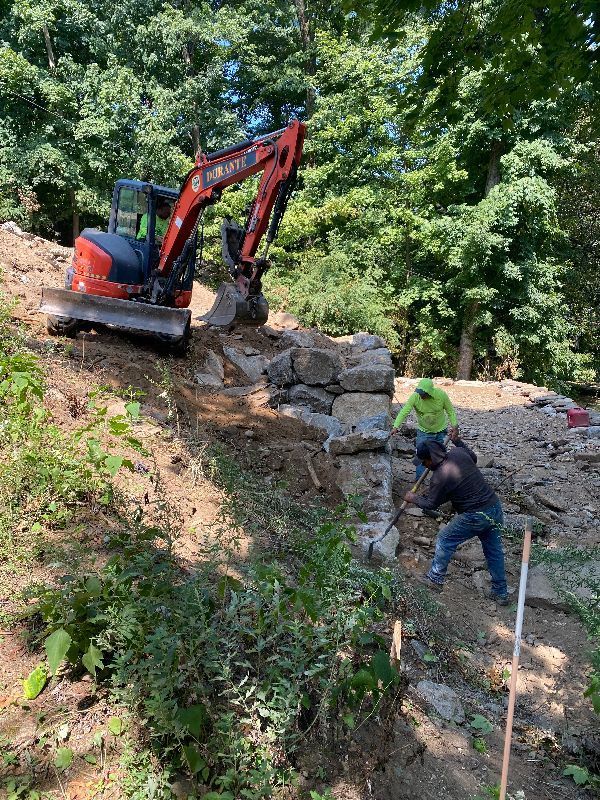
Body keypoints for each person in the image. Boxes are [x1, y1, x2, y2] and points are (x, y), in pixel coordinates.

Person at [404, 435, 509, 605]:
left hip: (475, 515)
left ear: (431, 459)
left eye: (424, 462)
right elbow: (473, 457)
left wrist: (413, 498)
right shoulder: (458, 453)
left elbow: (431, 504)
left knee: (445, 539)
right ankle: (501, 592)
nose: (423, 466)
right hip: (494, 507)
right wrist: (457, 440)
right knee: (494, 550)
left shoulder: (439, 476)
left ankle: (435, 578)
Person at [391, 378, 459, 479]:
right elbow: (404, 411)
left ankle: (439, 480)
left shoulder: (441, 395)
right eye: (420, 392)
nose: (421, 395)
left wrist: (455, 426)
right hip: (424, 432)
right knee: (420, 456)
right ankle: (419, 480)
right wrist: (395, 426)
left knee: (439, 457)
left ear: (430, 392)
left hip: (440, 431)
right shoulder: (415, 397)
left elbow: (450, 411)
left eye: (423, 393)